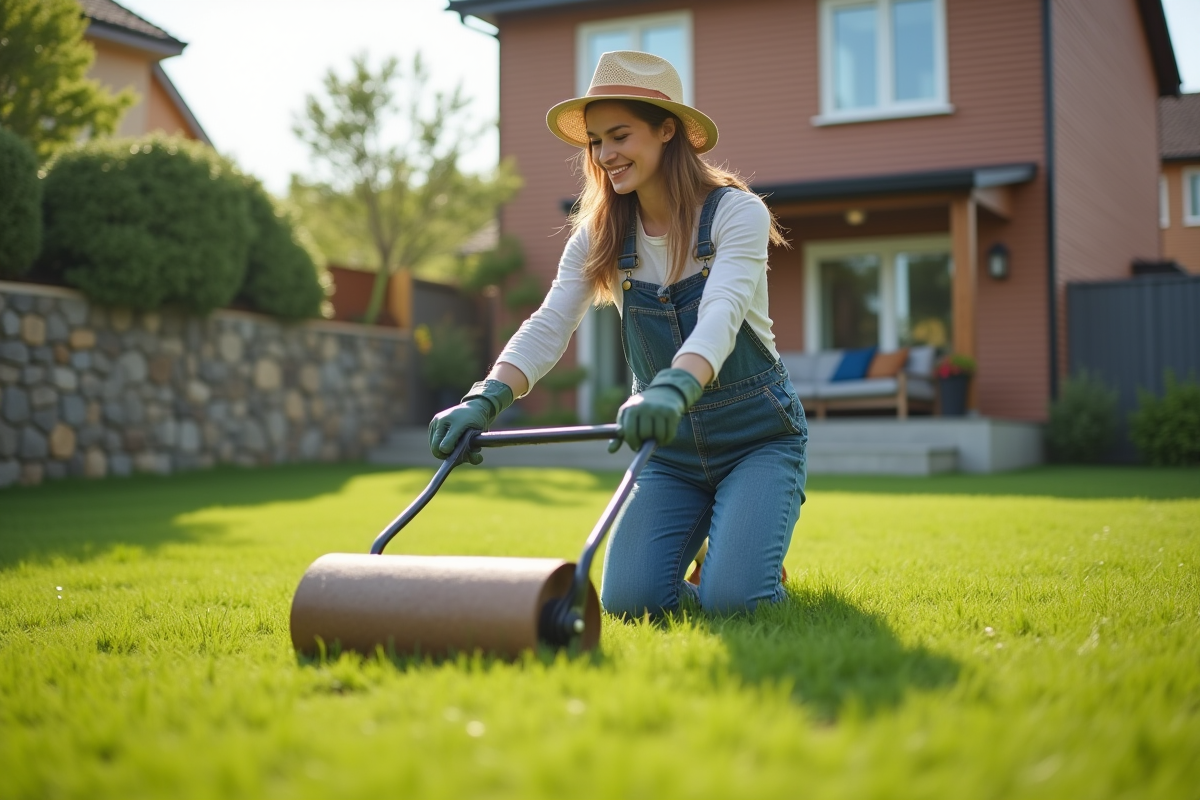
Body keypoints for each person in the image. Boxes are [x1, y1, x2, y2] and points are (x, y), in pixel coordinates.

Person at [428, 51, 807, 617]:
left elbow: (721, 314)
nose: (606, 155)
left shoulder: (736, 213)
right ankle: (722, 551)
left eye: (620, 135)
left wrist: (673, 387)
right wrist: (486, 397)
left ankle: (746, 561)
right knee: (630, 603)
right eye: (596, 141)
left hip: (757, 439)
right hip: (669, 451)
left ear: (667, 130)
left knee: (734, 602)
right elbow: (550, 322)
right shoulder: (602, 234)